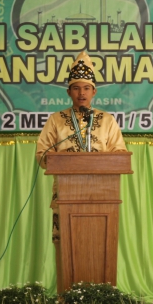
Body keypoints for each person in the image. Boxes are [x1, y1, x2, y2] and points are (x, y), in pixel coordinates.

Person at [36, 50, 127, 241]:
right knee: (65, 245)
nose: (82, 93)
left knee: (99, 244)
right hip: (65, 194)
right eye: (76, 88)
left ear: (94, 91)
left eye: (86, 88)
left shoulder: (107, 120)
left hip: (101, 194)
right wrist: (61, 160)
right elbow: (42, 154)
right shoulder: (56, 120)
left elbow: (120, 154)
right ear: (69, 92)